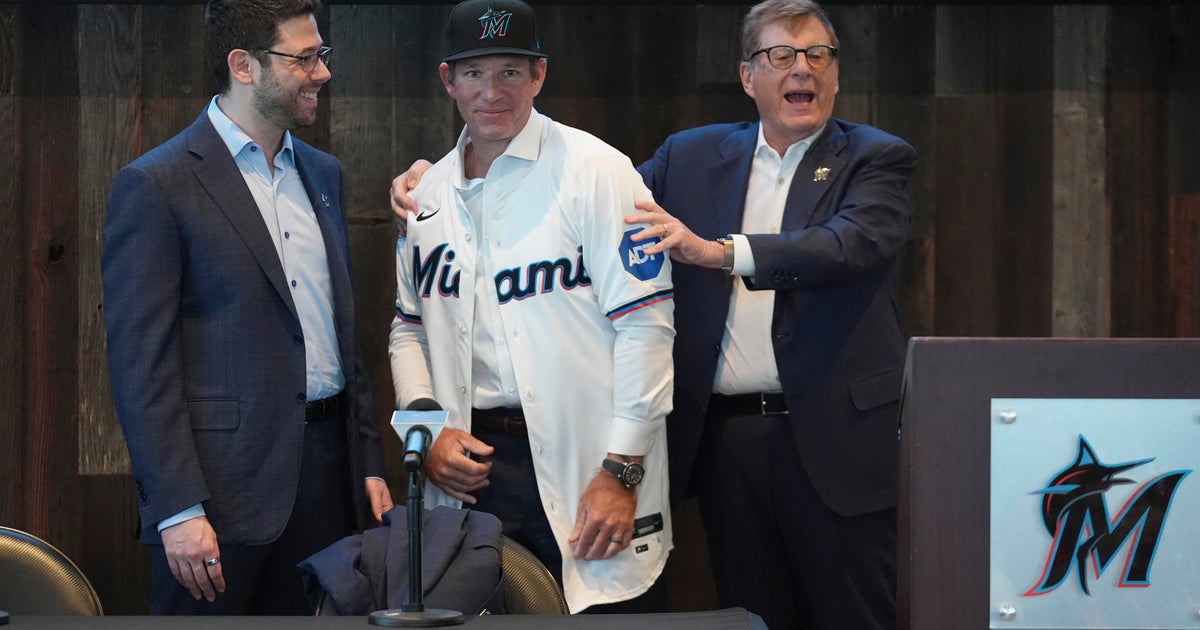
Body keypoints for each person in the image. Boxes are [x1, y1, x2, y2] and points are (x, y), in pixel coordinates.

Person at [626, 1, 914, 627]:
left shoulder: (876, 158)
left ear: (835, 74)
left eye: (817, 55)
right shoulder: (690, 157)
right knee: (752, 616)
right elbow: (594, 204)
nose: (801, 70)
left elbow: (847, 244)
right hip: (729, 443)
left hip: (840, 441)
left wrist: (719, 252)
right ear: (748, 75)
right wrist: (456, 170)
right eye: (780, 56)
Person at [102, 0, 393, 615]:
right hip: (218, 498)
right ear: (244, 65)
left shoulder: (324, 173)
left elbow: (342, 331)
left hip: (329, 483)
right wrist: (177, 508)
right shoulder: (157, 184)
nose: (323, 73)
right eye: (305, 58)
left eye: (323, 55)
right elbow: (141, 370)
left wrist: (367, 461)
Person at [386, 0, 675, 614]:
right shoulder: (425, 195)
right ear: (448, 81)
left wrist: (622, 471)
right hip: (469, 467)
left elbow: (647, 329)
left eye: (510, 72)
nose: (492, 92)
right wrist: (425, 429)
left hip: (590, 462)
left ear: (539, 75)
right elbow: (407, 328)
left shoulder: (599, 171)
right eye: (474, 73)